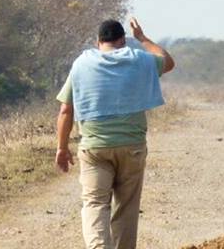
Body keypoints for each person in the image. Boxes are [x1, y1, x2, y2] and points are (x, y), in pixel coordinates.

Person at [55, 17, 174, 249]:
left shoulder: (82, 64)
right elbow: (168, 62)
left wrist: (61, 147)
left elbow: (65, 109)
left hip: (94, 148)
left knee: (95, 204)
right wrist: (142, 38)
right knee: (126, 208)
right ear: (122, 41)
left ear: (98, 41)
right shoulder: (139, 59)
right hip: (132, 146)